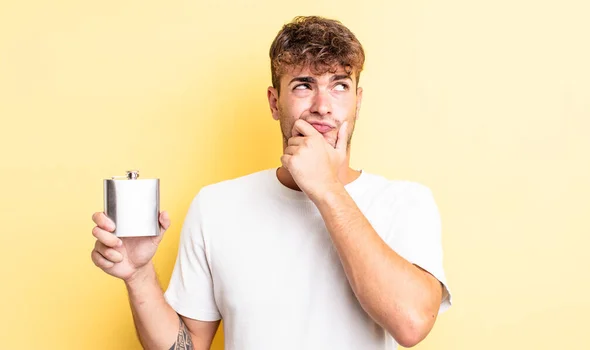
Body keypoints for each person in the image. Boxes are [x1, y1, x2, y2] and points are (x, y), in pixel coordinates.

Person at [91, 15, 452, 350]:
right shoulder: (216, 206)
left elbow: (412, 324)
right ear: (274, 101)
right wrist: (138, 275)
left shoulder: (404, 202)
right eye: (303, 85)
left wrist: (326, 188)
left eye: (339, 85)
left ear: (357, 101)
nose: (323, 106)